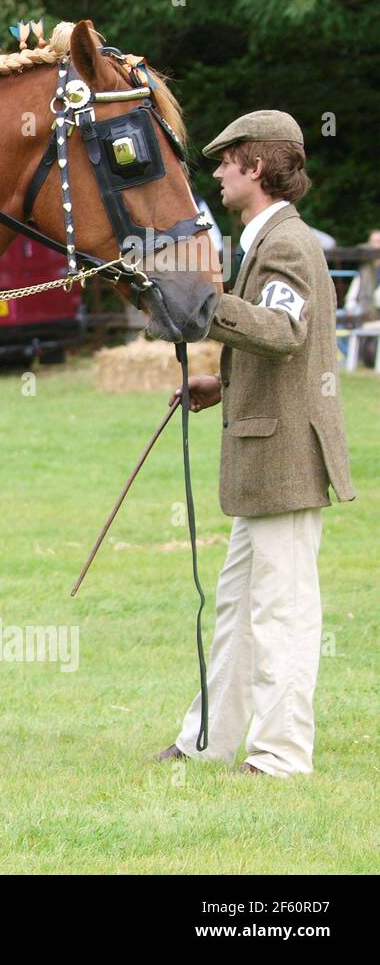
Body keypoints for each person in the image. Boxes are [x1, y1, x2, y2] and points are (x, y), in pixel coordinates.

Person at [156, 110, 355, 777]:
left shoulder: (288, 243)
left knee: (281, 612)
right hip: (263, 450)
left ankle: (280, 754)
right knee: (240, 611)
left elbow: (282, 329)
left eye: (226, 161)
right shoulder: (267, 238)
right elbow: (273, 345)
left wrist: (205, 303)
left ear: (257, 167)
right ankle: (208, 740)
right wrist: (225, 382)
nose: (216, 173)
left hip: (285, 458)